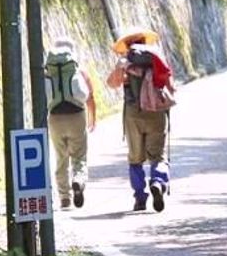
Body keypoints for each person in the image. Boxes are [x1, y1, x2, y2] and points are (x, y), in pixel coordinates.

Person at [108, 30, 175, 212]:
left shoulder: (125, 61)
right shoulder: (156, 57)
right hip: (156, 113)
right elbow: (170, 85)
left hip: (133, 113)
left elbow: (112, 83)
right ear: (145, 41)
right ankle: (158, 183)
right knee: (158, 155)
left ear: (128, 44)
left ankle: (139, 198)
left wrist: (120, 69)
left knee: (135, 158)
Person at [43, 40, 96, 209]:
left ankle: (64, 197)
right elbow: (90, 97)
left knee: (60, 158)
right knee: (79, 156)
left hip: (55, 118)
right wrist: (93, 117)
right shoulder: (79, 71)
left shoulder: (47, 74)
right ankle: (78, 181)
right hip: (76, 116)